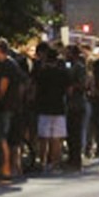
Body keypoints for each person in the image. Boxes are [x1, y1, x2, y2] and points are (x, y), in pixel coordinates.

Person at [0, 38, 25, 180]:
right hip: (14, 105)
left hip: (5, 106)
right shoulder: (13, 64)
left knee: (1, 136)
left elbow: (3, 87)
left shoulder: (5, 65)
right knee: (9, 137)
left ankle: (6, 168)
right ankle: (12, 167)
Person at [33, 44, 69, 172]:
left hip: (44, 107)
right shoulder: (63, 73)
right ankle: (54, 163)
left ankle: (42, 162)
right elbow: (68, 90)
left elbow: (35, 88)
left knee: (43, 137)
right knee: (56, 138)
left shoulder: (42, 73)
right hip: (59, 107)